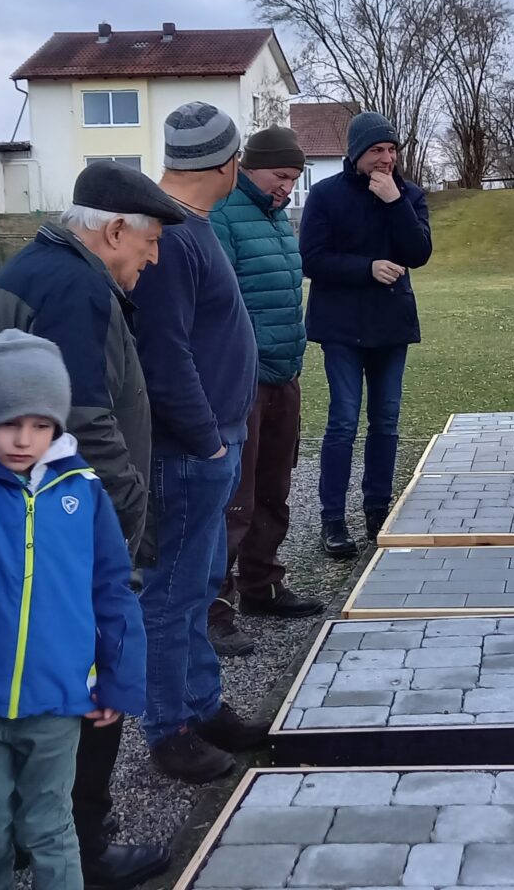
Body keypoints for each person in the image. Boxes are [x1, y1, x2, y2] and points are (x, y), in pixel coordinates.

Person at [0, 158, 182, 888]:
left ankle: (29, 833)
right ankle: (84, 846)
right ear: (114, 229)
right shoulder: (76, 286)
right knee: (83, 684)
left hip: (28, 518)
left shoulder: (44, 268)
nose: (150, 262)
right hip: (60, 528)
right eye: (147, 245)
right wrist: (125, 522)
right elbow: (79, 421)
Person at [0, 331, 147, 890]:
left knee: (51, 825)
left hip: (57, 698)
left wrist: (118, 679)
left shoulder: (84, 490)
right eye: (9, 423)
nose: (25, 439)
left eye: (41, 425)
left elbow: (113, 588)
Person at [131, 101, 272, 783]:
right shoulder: (169, 235)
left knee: (199, 581)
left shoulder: (191, 226)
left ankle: (202, 703)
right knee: (173, 593)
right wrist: (206, 441)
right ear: (226, 163)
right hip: (190, 449)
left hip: (214, 439)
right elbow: (166, 356)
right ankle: (171, 729)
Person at [207, 125, 326, 659]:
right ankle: (213, 606)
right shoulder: (222, 216)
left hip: (284, 374)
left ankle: (263, 583)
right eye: (281, 175)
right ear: (250, 167)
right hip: (241, 380)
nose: (287, 187)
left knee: (275, 487)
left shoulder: (277, 219)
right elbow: (219, 302)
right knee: (235, 497)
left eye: (295, 178)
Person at [299, 110, 433, 558]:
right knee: (342, 421)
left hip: (391, 327)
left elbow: (419, 253)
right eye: (377, 150)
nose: (386, 158)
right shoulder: (325, 196)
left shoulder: (409, 195)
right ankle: (332, 520)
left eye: (392, 150)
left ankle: (378, 510)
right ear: (356, 153)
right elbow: (312, 260)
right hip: (340, 326)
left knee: (387, 420)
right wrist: (366, 267)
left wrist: (395, 201)